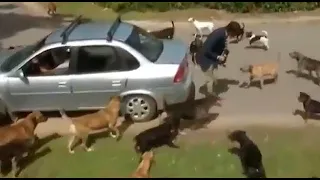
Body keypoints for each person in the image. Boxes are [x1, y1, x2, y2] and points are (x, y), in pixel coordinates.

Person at [195, 21, 238, 96]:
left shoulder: (223, 33)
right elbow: (206, 49)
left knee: (213, 77)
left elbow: (219, 47)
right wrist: (218, 57)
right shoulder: (219, 34)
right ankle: (209, 97)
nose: (234, 36)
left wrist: (222, 59)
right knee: (210, 79)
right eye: (235, 34)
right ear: (231, 31)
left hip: (211, 59)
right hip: (205, 59)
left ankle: (210, 93)